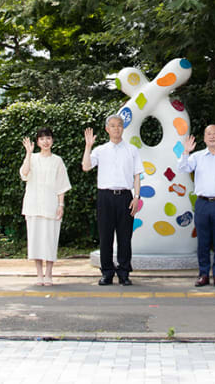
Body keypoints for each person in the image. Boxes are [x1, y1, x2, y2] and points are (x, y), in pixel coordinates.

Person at [82, 115, 141, 286]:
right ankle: (106, 272)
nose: (116, 128)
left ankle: (124, 272)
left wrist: (136, 197)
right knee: (105, 236)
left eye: (119, 125)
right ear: (107, 129)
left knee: (125, 237)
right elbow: (86, 166)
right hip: (105, 197)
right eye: (113, 126)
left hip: (125, 197)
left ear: (123, 128)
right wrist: (88, 146)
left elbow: (137, 175)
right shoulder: (100, 150)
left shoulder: (132, 150)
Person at [179, 124, 215, 288]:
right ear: (204, 138)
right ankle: (203, 274)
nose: (211, 136)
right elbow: (182, 167)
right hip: (202, 203)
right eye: (208, 134)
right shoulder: (197, 156)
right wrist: (186, 152)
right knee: (203, 242)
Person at [21, 128, 71, 286]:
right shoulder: (33, 158)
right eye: (42, 139)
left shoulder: (57, 161)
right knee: (35, 240)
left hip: (51, 206)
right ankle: (39, 274)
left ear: (52, 140)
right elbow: (24, 173)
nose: (45, 141)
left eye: (48, 138)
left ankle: (49, 273)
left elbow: (61, 185)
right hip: (33, 205)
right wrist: (28, 153)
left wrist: (61, 205)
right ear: (37, 142)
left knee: (50, 239)